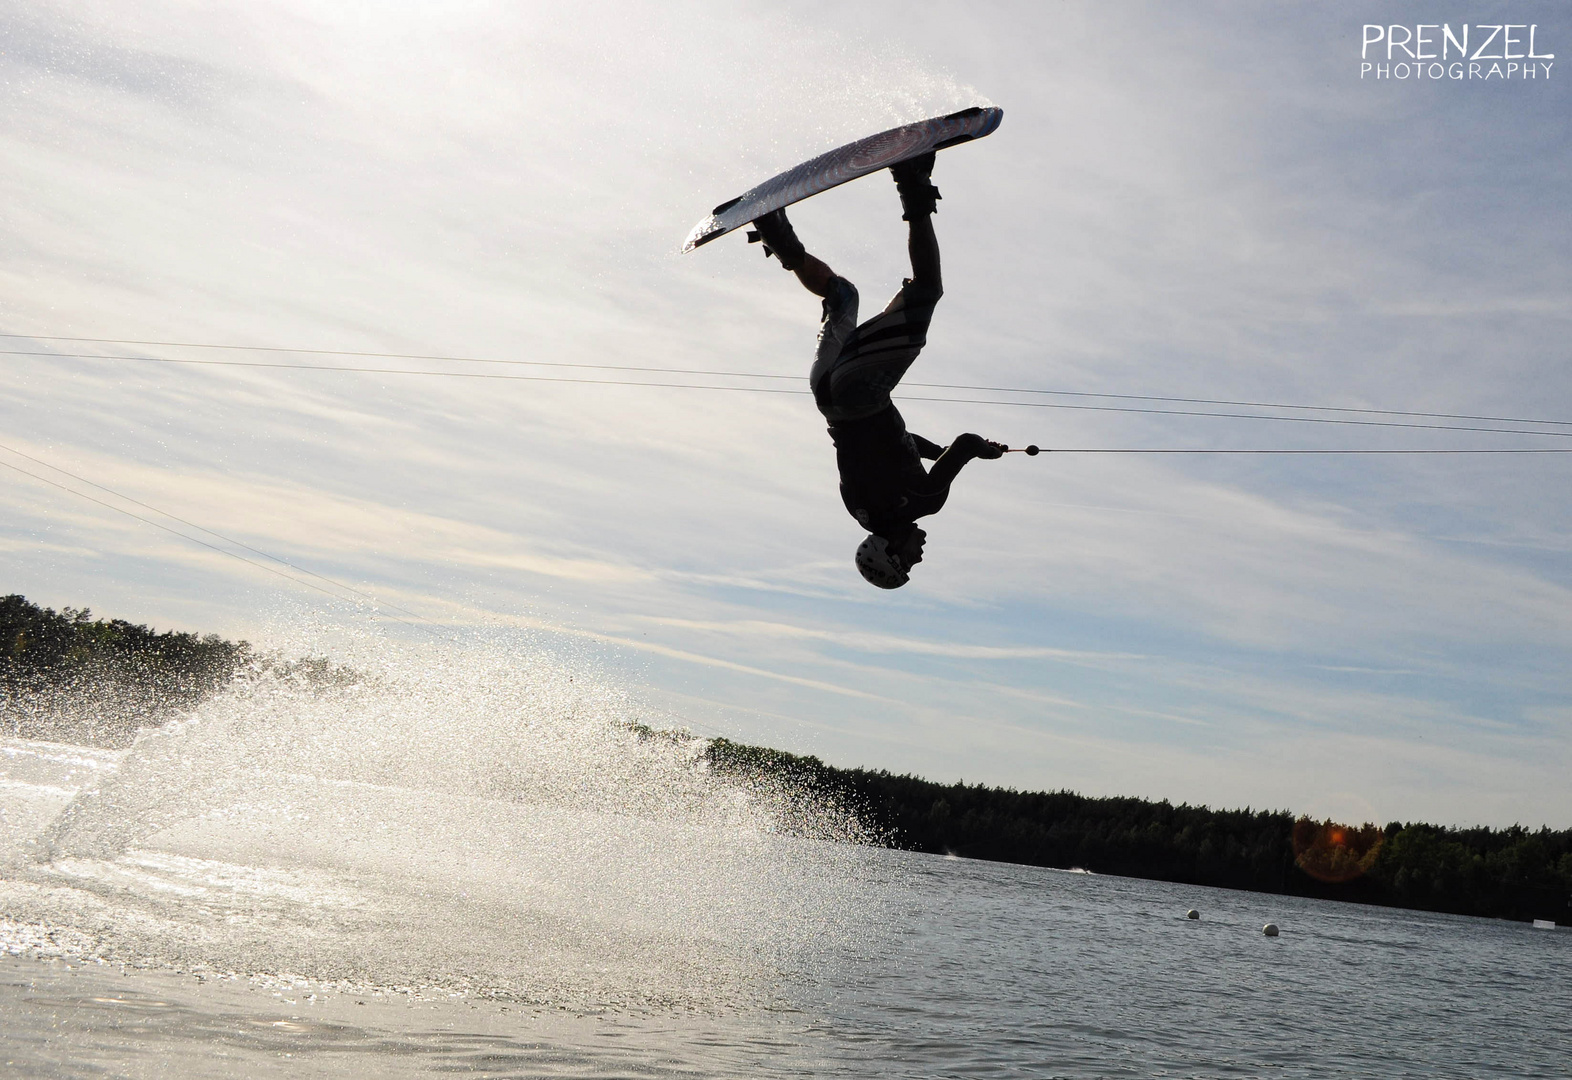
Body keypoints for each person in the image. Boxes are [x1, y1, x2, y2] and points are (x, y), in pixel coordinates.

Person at [748, 152, 1005, 589]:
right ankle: (775, 230)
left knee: (927, 290)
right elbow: (897, 449)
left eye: (908, 561)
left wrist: (982, 450)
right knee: (841, 295)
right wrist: (935, 452)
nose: (919, 555)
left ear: (890, 551)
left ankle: (911, 181)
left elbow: (961, 445)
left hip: (861, 392)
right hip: (827, 395)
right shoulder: (859, 507)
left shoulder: (924, 502)